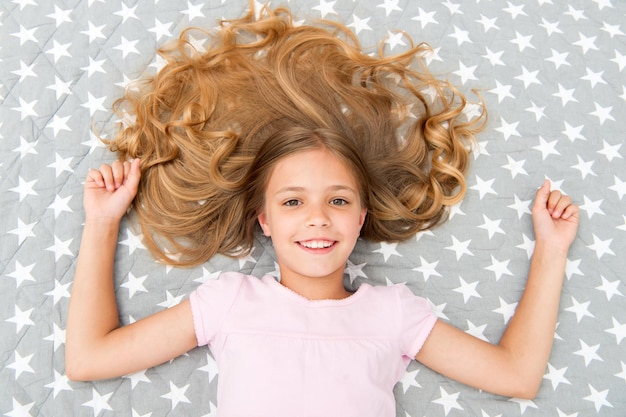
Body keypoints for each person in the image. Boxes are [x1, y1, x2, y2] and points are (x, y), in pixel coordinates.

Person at [65, 3, 580, 416]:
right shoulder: (229, 303)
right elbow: (88, 359)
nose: (318, 217)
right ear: (264, 219)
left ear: (361, 217)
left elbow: (516, 376)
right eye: (293, 201)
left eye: (338, 200)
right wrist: (103, 223)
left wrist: (551, 251)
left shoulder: (393, 314)